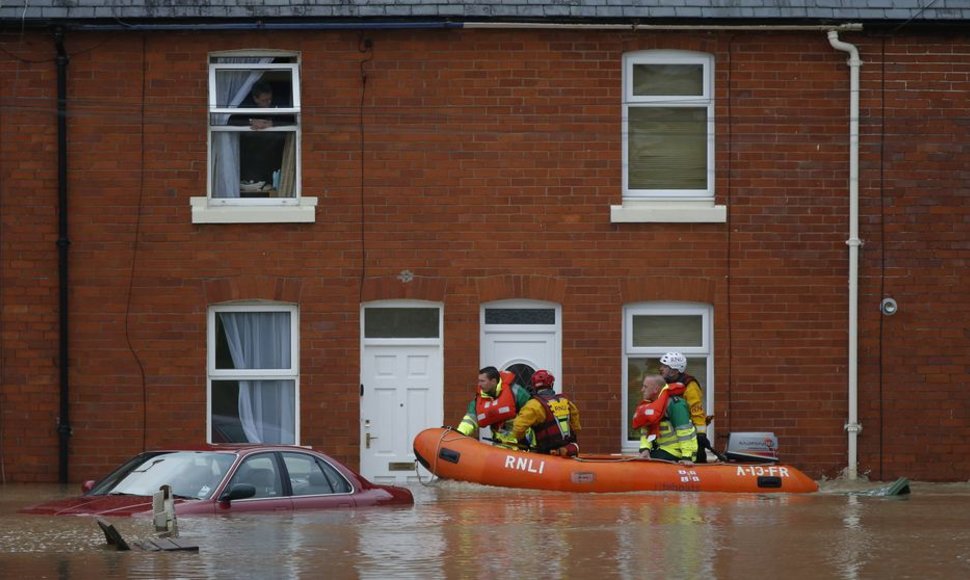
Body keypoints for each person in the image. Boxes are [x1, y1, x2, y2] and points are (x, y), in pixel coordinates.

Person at [229, 81, 294, 188]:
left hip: (274, 148)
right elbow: (229, 120)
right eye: (264, 101)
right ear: (255, 99)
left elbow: (293, 120)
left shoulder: (278, 103)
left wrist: (272, 123)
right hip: (249, 151)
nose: (268, 103)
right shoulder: (245, 104)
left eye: (269, 99)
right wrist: (251, 121)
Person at [456, 366, 532, 447]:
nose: (479, 384)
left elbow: (532, 412)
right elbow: (470, 419)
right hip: (500, 445)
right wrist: (459, 433)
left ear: (493, 381)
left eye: (482, 381)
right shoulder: (479, 400)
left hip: (523, 444)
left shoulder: (516, 393)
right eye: (479, 381)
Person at [510, 370, 581, 457]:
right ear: (551, 384)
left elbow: (518, 428)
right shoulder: (566, 401)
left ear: (534, 386)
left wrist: (523, 442)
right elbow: (576, 427)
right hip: (567, 452)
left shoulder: (534, 405)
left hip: (547, 455)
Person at [632, 374, 698, 463]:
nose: (642, 390)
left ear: (656, 389)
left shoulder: (675, 405)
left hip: (678, 452)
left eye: (645, 387)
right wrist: (645, 449)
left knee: (648, 464)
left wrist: (686, 457)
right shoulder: (651, 406)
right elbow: (646, 431)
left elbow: (684, 433)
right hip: (663, 448)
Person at [659, 352, 711, 463]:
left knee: (699, 459)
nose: (661, 368)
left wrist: (701, 435)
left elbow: (697, 412)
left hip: (687, 434)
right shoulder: (663, 383)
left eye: (664, 366)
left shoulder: (690, 385)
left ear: (674, 371)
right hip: (668, 438)